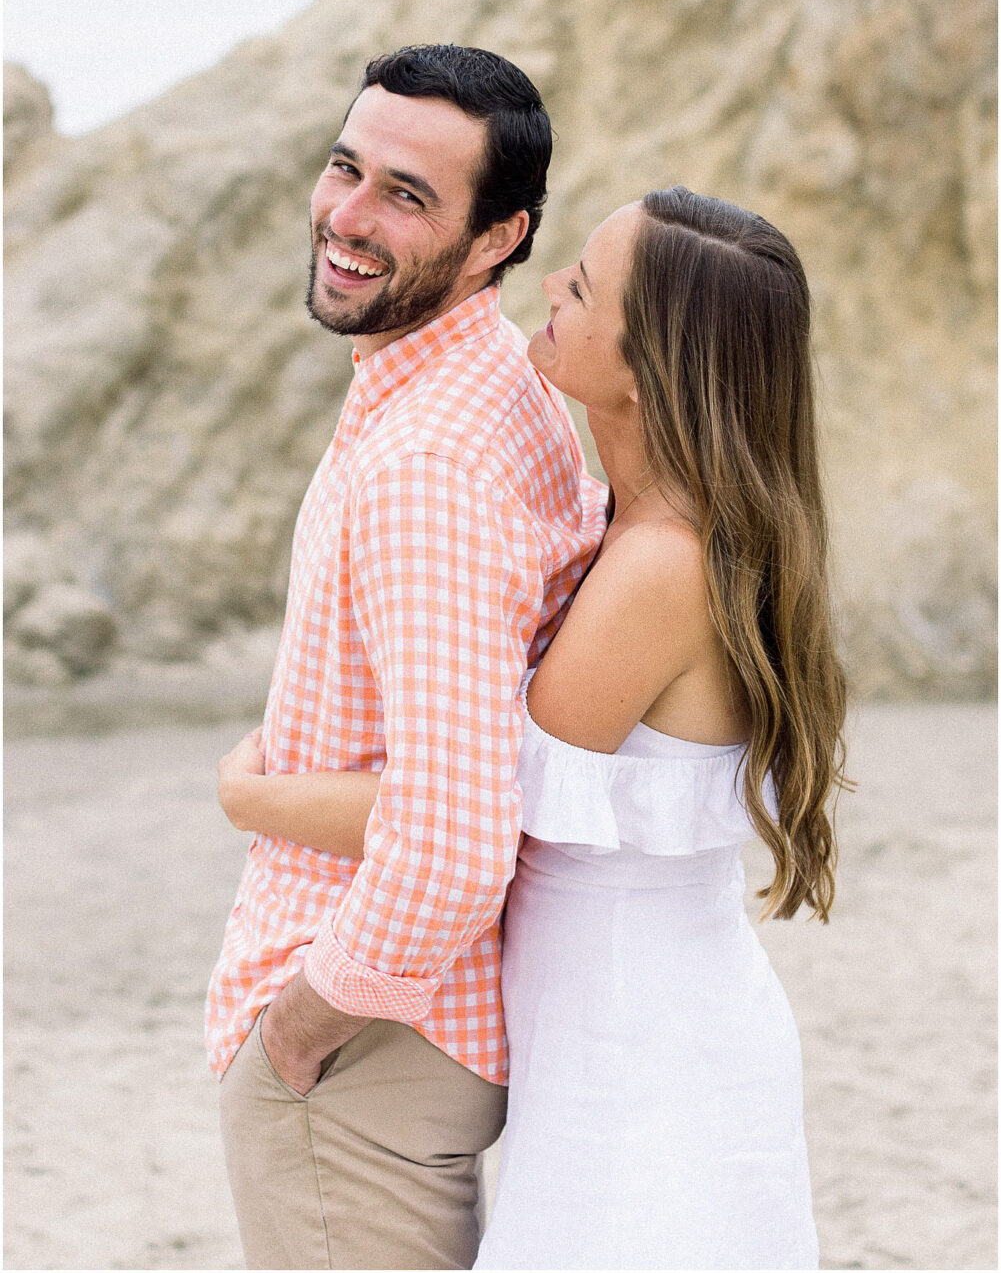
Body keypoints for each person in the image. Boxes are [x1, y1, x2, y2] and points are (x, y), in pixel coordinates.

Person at [219, 185, 848, 1271]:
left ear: (652, 361)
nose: (550, 284)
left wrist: (250, 795)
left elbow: (466, 805)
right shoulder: (639, 523)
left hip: (637, 1040)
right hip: (624, 1018)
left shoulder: (659, 566)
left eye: (584, 285)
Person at [206, 43, 606, 1271]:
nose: (348, 217)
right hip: (424, 1034)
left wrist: (299, 1029)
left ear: (499, 239)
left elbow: (453, 831)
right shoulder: (499, 386)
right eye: (345, 169)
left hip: (363, 1055)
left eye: (407, 195)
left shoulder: (427, 466)